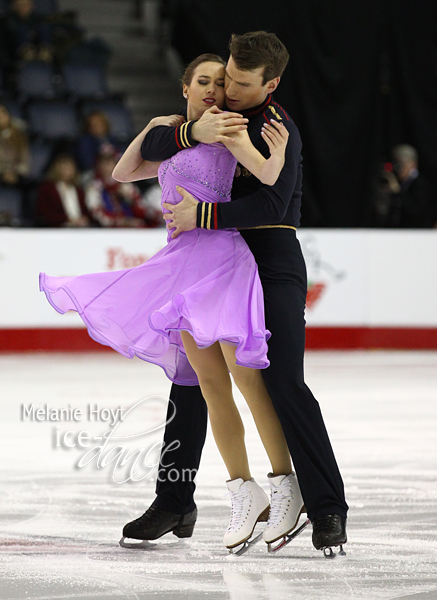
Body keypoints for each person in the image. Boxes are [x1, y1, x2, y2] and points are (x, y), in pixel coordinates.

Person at [40, 54, 305, 551]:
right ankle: (242, 491)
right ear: (185, 86)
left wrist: (272, 149)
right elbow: (123, 171)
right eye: (202, 80)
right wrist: (176, 130)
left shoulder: (230, 124)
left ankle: (284, 484)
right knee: (207, 384)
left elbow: (269, 178)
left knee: (247, 380)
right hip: (182, 264)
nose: (212, 88)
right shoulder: (172, 129)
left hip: (223, 260)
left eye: (220, 82)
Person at [121, 31, 349, 556]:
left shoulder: (275, 127)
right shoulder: (210, 114)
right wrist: (186, 134)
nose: (230, 89)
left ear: (269, 84)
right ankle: (174, 499)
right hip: (211, 261)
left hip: (271, 259)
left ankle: (326, 506)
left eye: (242, 84)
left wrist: (202, 213)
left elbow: (272, 203)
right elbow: (152, 146)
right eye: (226, 77)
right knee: (190, 380)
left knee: (283, 381)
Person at [84, 148, 160, 228]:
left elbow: (142, 210)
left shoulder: (126, 186)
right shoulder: (94, 188)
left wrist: (130, 200)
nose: (106, 166)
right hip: (106, 231)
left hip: (130, 228)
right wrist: (121, 221)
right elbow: (96, 213)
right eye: (102, 162)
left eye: (109, 162)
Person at [35, 154, 93, 228]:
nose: (66, 171)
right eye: (63, 168)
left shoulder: (78, 189)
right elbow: (45, 213)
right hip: (57, 229)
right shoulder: (47, 188)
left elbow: (85, 210)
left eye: (68, 168)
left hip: (80, 229)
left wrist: (84, 219)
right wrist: (67, 220)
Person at [383, 144, 432, 228]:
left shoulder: (421, 184)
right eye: (397, 164)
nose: (399, 169)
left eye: (402, 164)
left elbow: (417, 211)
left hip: (416, 232)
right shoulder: (399, 182)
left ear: (412, 164)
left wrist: (398, 191)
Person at [0, 103, 29, 188]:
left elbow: (24, 158)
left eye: (3, 113)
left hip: (16, 175)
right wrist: (3, 172)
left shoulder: (18, 133)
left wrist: (15, 173)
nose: (0, 116)